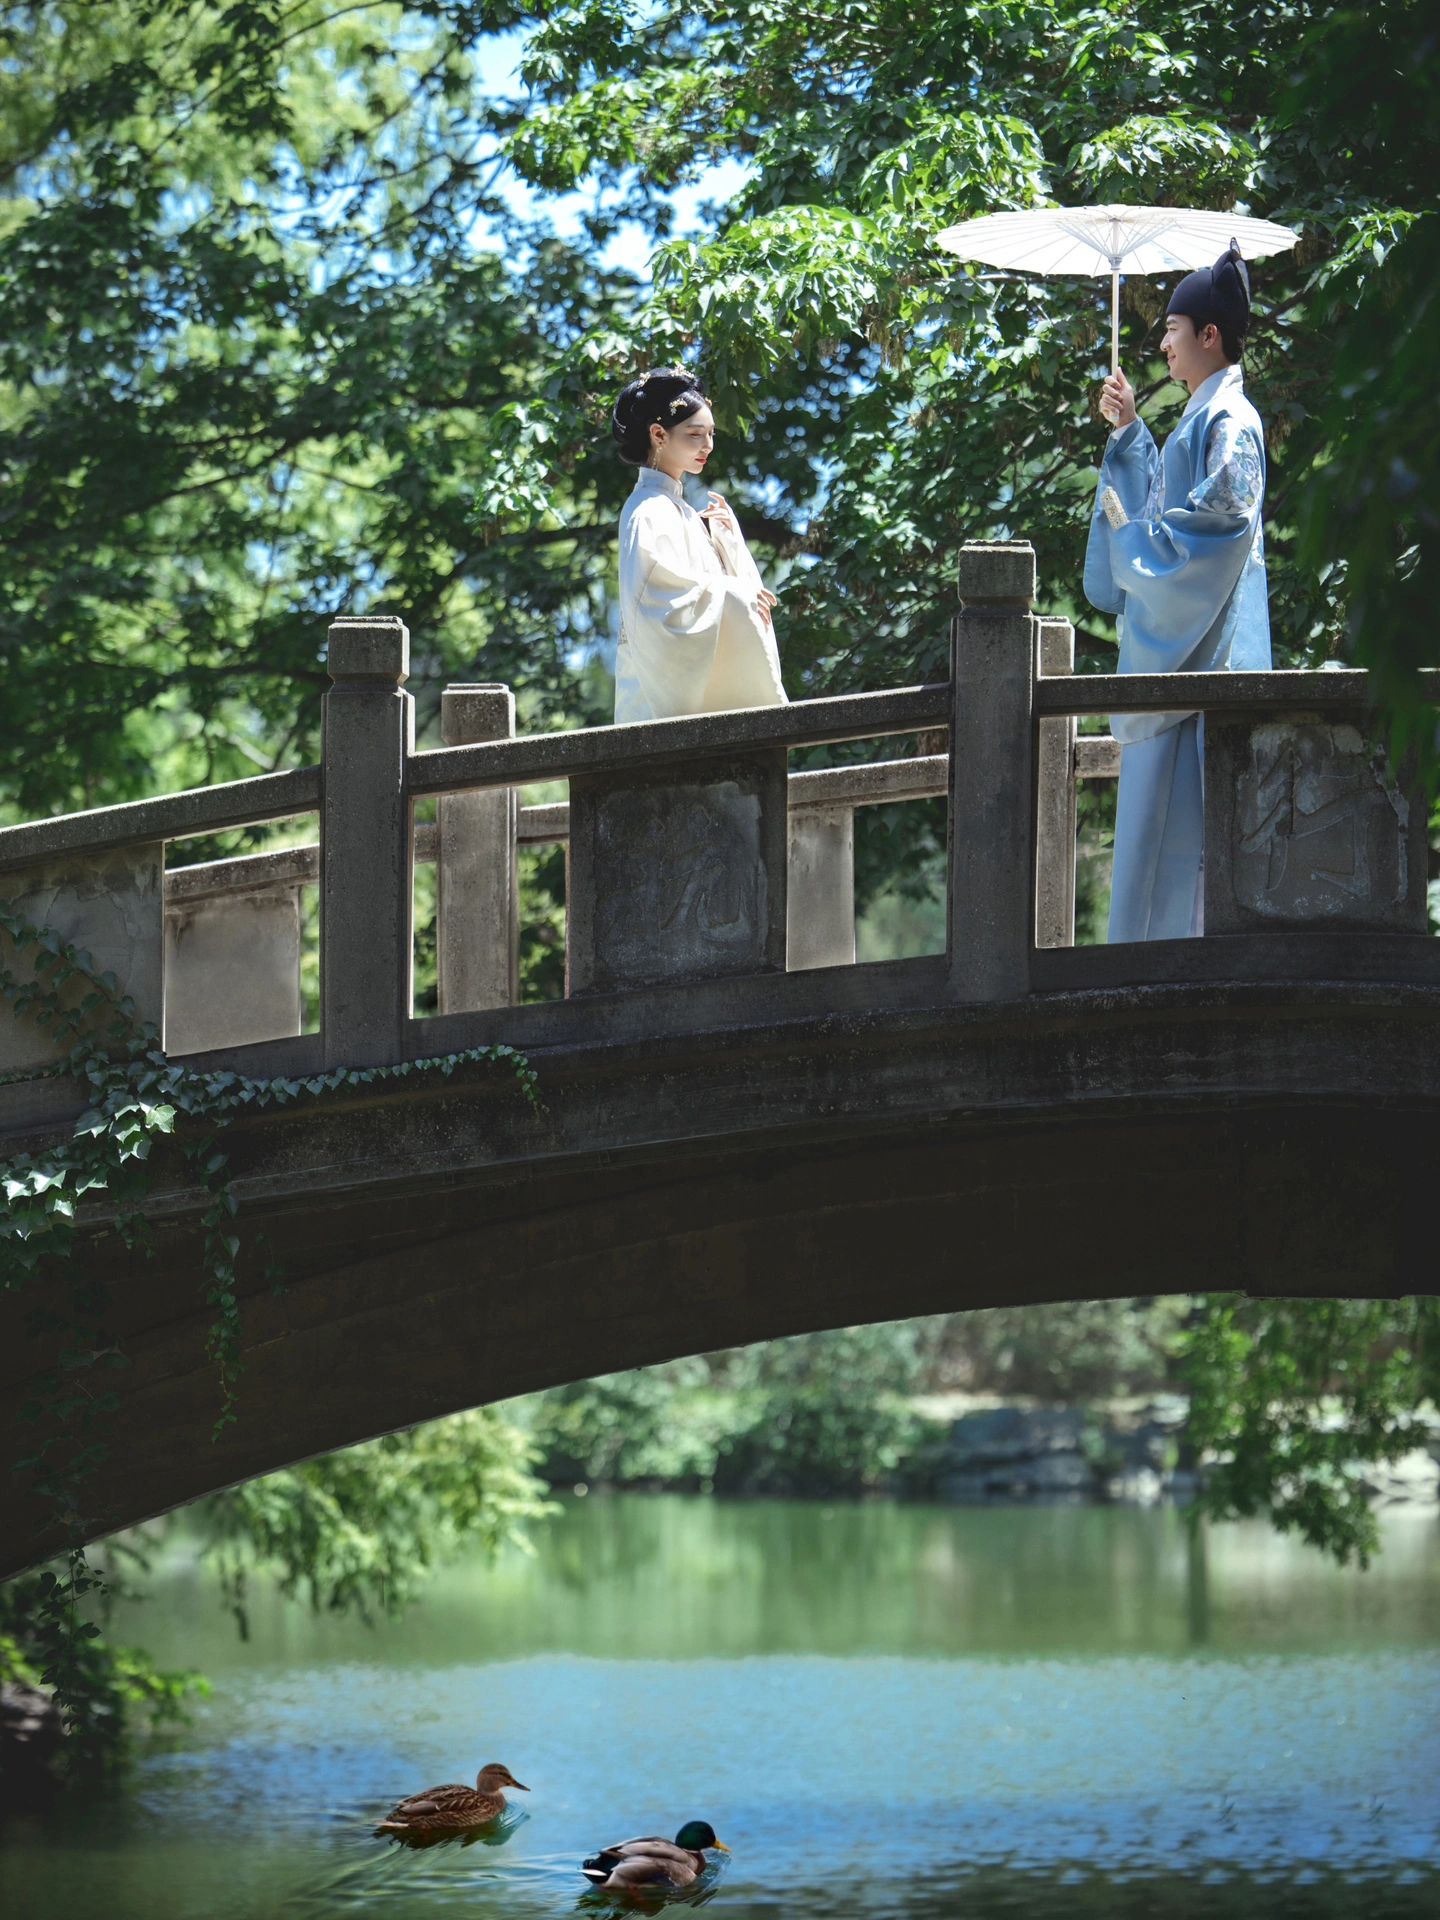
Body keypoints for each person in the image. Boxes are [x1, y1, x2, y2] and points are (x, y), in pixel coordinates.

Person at [1083, 241, 1271, 942]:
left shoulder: (1231, 420)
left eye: (1171, 328)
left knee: (1190, 852)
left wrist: (1136, 548)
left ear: (1208, 334)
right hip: (1188, 653)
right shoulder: (1206, 414)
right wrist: (1131, 430)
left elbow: (1217, 526)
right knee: (1160, 843)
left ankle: (1172, 980)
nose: (1163, 344)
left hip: (1206, 658)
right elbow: (1175, 503)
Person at [611, 368, 787, 723]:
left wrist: (728, 545)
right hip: (655, 704)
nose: (708, 446)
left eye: (711, 434)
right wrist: (735, 592)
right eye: (695, 434)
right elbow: (662, 604)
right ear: (658, 434)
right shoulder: (648, 511)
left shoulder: (681, 511)